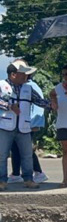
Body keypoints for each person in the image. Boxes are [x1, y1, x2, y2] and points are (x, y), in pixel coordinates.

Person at [0, 60, 47, 190]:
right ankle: (1, 181)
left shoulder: (28, 88)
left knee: (27, 154)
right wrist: (9, 106)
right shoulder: (1, 85)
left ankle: (28, 179)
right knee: (2, 155)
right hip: (5, 126)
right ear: (13, 74)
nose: (26, 76)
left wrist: (52, 104)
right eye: (23, 74)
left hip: (24, 127)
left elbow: (40, 101)